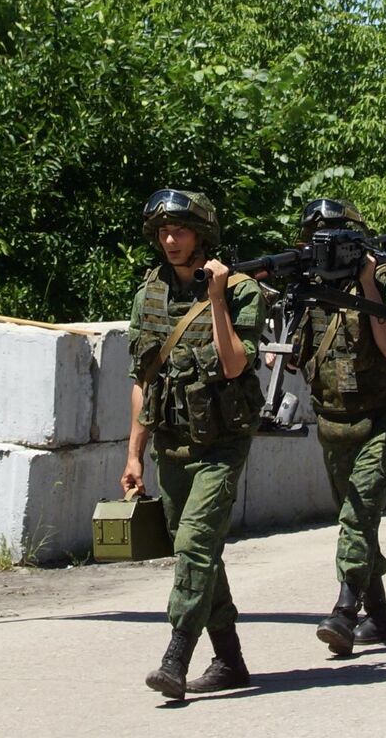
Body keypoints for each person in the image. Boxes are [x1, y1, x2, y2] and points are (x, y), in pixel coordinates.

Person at [121, 188, 266, 701]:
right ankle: (229, 660)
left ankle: (175, 656)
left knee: (195, 546)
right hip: (171, 443)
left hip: (221, 444)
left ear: (202, 234)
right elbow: (144, 378)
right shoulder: (150, 293)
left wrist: (219, 297)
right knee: (201, 553)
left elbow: (232, 365)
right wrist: (134, 453)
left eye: (180, 229)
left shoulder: (244, 291)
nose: (169, 239)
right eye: (162, 231)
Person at [286, 198, 386, 657]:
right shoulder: (307, 286)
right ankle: (379, 617)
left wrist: (366, 283)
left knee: (358, 512)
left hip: (381, 416)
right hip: (333, 418)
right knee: (358, 520)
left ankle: (345, 610)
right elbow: (291, 349)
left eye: (338, 241)